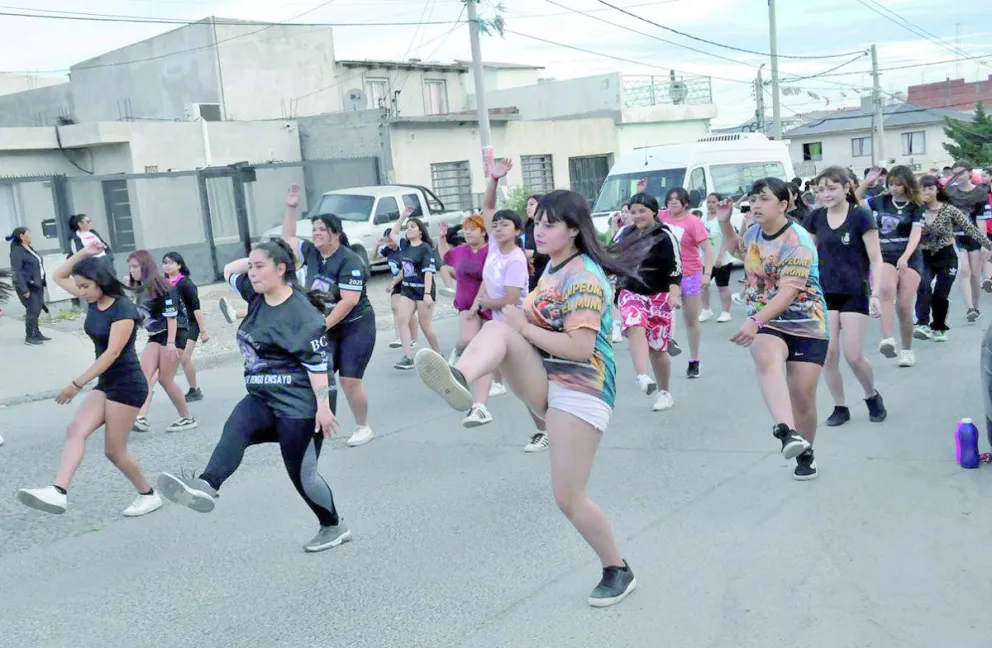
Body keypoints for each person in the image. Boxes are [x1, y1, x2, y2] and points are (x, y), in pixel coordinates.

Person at [412, 170, 640, 607]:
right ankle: (461, 378)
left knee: (568, 498)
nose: (539, 230)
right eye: (537, 222)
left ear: (574, 229)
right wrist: (517, 324)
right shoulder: (552, 268)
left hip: (582, 387)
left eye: (549, 223)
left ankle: (617, 568)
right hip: (548, 378)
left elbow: (579, 348)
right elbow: (487, 220)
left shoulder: (584, 278)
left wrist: (522, 324)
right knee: (502, 330)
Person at [157, 240, 350, 553]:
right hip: (263, 397)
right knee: (237, 426)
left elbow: (318, 368)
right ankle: (207, 484)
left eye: (260, 266)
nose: (253, 272)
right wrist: (255, 260)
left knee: (303, 476)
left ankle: (333, 525)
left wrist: (324, 409)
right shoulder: (256, 294)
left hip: (301, 407)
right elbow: (228, 270)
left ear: (281, 269)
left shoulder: (302, 315)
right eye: (252, 265)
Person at [16, 243, 162, 517]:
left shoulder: (123, 309)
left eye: (85, 287)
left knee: (114, 451)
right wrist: (85, 252)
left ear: (100, 282)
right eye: (79, 287)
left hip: (128, 386)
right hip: (106, 384)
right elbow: (59, 276)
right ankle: (58, 491)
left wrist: (76, 383)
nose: (81, 292)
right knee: (75, 431)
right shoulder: (93, 299)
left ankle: (148, 494)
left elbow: (113, 352)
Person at [716, 178, 829, 481]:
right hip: (769, 321)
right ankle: (785, 431)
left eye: (763, 199)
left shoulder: (798, 241)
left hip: (807, 322)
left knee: (803, 397)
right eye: (753, 199)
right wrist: (725, 223)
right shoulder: (753, 232)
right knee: (766, 357)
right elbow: (739, 252)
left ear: (783, 205)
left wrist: (753, 321)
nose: (756, 205)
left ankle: (805, 452)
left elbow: (788, 291)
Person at [280, 184, 377, 448]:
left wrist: (321, 325)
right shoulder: (312, 252)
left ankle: (362, 425)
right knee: (317, 373)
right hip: (326, 326)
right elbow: (286, 239)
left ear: (335, 234)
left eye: (322, 229)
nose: (316, 234)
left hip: (355, 326)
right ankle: (317, 421)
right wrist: (291, 207)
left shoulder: (349, 261)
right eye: (314, 230)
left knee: (349, 379)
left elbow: (349, 301)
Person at [803, 166, 886, 427]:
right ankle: (840, 406)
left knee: (854, 355)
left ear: (847, 187)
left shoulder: (860, 216)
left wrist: (875, 294)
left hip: (854, 292)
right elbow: (806, 254)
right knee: (828, 354)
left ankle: (871, 395)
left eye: (832, 188)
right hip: (825, 293)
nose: (826, 194)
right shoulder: (815, 218)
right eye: (821, 189)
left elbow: (876, 258)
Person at [615, 192, 683, 411]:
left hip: (659, 295)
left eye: (642, 211)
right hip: (631, 291)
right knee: (635, 324)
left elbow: (675, 268)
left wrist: (674, 295)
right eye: (633, 211)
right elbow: (611, 257)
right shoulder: (626, 233)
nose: (637, 215)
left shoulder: (665, 235)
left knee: (657, 349)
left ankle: (664, 392)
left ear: (654, 211)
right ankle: (642, 376)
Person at [856, 166, 924, 367]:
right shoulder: (880, 201)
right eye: (891, 184)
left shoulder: (916, 206)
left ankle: (907, 350)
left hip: (910, 257)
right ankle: (888, 339)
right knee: (885, 290)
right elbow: (852, 202)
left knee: (904, 306)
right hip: (884, 255)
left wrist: (905, 256)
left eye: (898, 184)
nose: (893, 188)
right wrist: (867, 182)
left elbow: (916, 235)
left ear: (907, 184)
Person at [127, 250, 198, 433]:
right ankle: (141, 417)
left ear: (145, 266)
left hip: (174, 334)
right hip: (156, 334)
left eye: (135, 266)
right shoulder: (141, 289)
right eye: (130, 267)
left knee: (166, 379)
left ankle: (187, 417)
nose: (132, 270)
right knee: (144, 376)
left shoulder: (163, 286)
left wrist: (171, 343)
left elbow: (172, 317)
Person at [916, 175, 992, 342]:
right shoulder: (916, 209)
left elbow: (970, 229)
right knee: (923, 286)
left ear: (937, 190)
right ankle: (922, 323)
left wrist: (988, 245)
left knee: (940, 293)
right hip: (924, 256)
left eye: (930, 188)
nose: (927, 191)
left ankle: (939, 327)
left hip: (947, 255)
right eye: (923, 188)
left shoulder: (949, 209)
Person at [660, 187, 714, 378]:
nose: (673, 202)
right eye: (670, 199)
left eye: (677, 199)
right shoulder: (661, 217)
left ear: (685, 203)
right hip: (666, 275)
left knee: (690, 319)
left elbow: (708, 249)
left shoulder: (694, 223)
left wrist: (707, 274)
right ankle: (667, 343)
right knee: (662, 313)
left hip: (690, 275)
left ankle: (694, 359)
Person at [393, 216, 443, 370]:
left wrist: (427, 294)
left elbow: (428, 273)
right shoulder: (405, 246)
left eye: (412, 226)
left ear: (420, 231)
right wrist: (402, 216)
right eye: (407, 227)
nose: (408, 228)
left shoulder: (425, 249)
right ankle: (408, 357)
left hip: (423, 290)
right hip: (407, 289)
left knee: (425, 326)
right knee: (402, 320)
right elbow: (393, 234)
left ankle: (439, 355)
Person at [945, 160, 991, 322]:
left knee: (975, 274)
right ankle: (969, 308)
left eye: (961, 172)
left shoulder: (979, 193)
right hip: (956, 236)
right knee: (964, 270)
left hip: (974, 237)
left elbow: (981, 220)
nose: (958, 176)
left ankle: (976, 307)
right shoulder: (949, 193)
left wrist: (985, 243)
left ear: (970, 173)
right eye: (955, 173)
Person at [162, 252, 209, 402]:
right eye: (165, 263)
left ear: (179, 265)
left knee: (184, 357)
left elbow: (196, 308)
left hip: (191, 325)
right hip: (175, 325)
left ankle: (194, 389)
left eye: (170, 262)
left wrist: (203, 331)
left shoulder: (186, 284)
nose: (167, 265)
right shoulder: (163, 283)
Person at [374, 216, 420, 350]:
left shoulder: (403, 249)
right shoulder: (387, 250)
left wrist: (392, 283)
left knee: (408, 312)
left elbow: (406, 270)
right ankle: (399, 337)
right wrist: (377, 245)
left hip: (407, 281)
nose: (388, 243)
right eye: (386, 240)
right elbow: (373, 258)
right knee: (395, 308)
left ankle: (413, 338)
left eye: (389, 240)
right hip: (396, 283)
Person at [7, 227, 50, 345]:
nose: (31, 236)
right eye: (28, 234)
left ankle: (37, 333)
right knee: (33, 310)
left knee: (37, 309)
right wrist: (24, 289)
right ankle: (30, 336)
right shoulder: (17, 251)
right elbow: (17, 271)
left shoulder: (29, 248)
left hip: (37, 283)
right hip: (28, 286)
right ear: (22, 236)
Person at [699, 193, 733, 324]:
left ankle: (726, 312)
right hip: (705, 259)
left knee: (722, 286)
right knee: (703, 285)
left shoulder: (722, 219)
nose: (711, 205)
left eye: (713, 202)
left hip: (721, 259)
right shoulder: (703, 219)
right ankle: (706, 310)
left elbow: (726, 237)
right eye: (708, 202)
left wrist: (720, 255)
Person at [522, 193, 550, 292]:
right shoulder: (528, 226)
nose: (527, 208)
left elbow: (550, 253)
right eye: (527, 205)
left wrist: (532, 253)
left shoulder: (550, 226)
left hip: (546, 274)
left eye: (531, 204)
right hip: (532, 275)